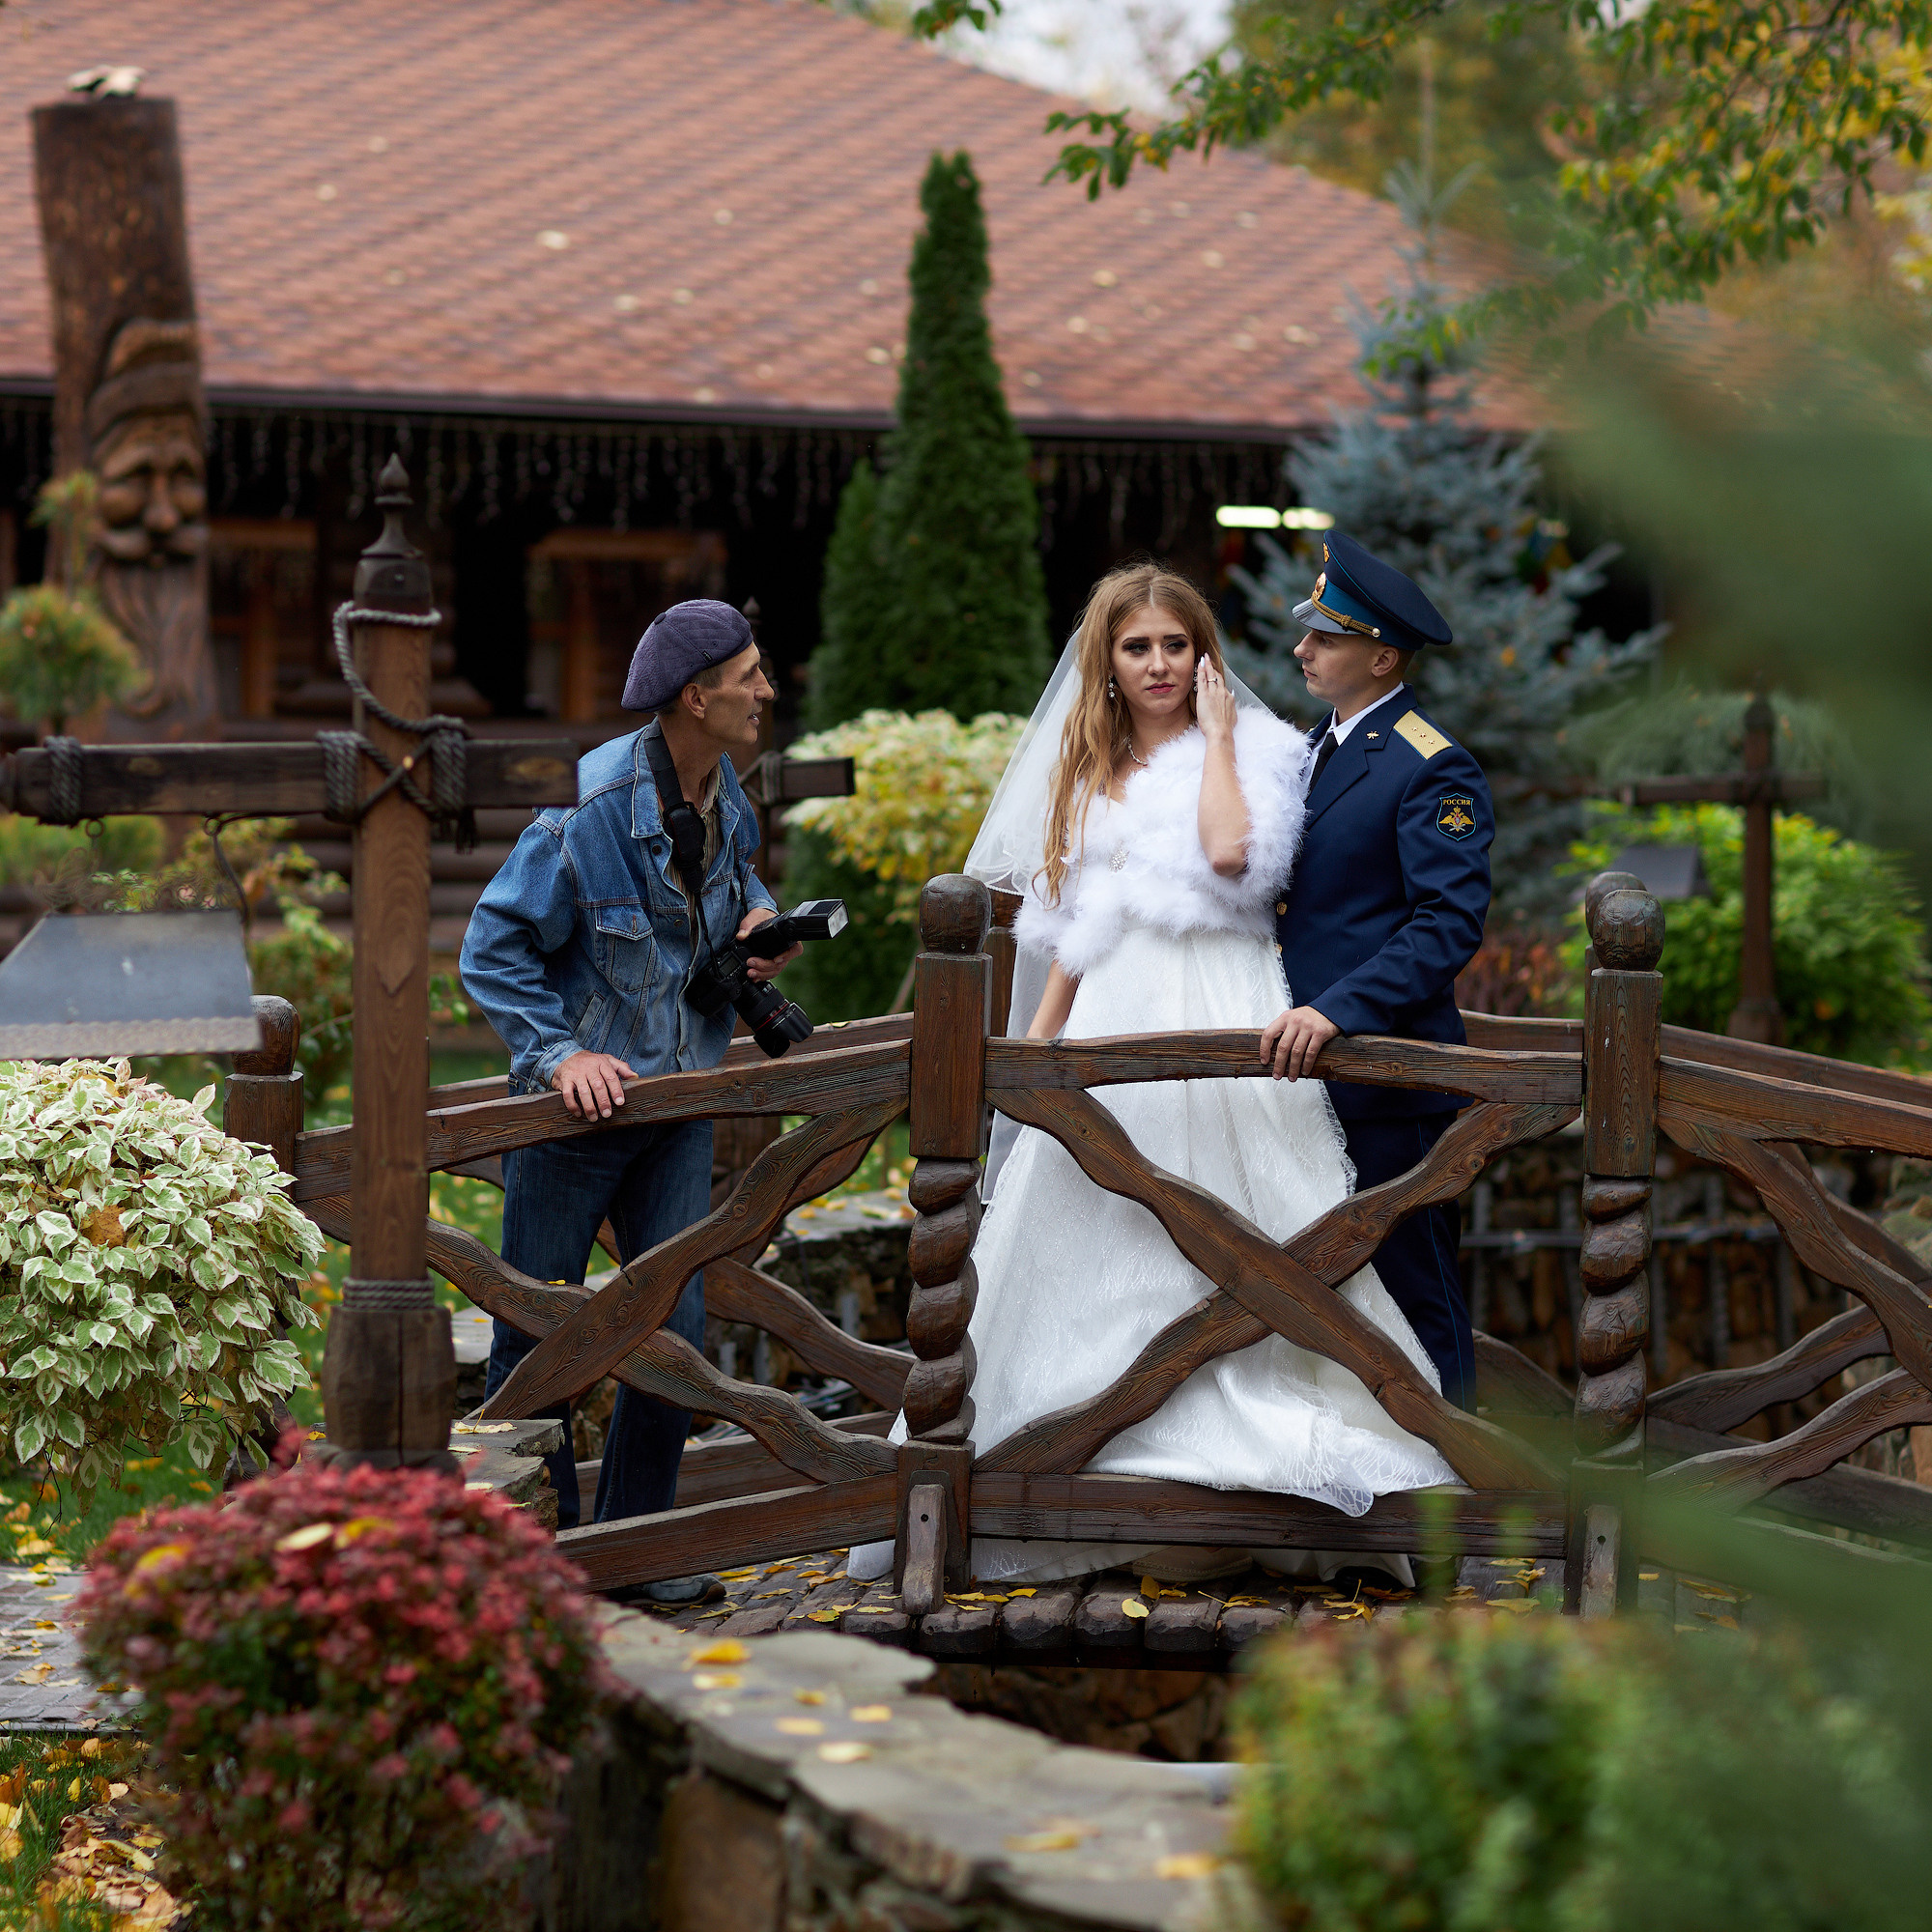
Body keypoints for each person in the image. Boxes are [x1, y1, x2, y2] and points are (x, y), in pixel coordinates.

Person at [849, 562, 1456, 1588]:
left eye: (1174, 644)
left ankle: (1251, 1464)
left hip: (1217, 996)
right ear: (1110, 662)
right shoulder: (1091, 768)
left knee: (1240, 1215)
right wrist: (1034, 1055)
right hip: (1114, 1009)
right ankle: (1064, 1457)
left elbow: (1230, 859)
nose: (1159, 663)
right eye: (1137, 648)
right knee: (1092, 1217)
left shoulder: (1262, 746)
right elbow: (1077, 934)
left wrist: (1218, 738)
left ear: (1200, 651)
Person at [459, 599, 799, 1602]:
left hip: (673, 1105)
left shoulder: (724, 792)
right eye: (750, 677)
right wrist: (557, 1053)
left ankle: (635, 1556)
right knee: (539, 1342)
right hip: (576, 1121)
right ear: (695, 696)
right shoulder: (589, 816)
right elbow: (492, 946)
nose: (766, 692)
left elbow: (728, 885)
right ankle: (536, 1566)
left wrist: (761, 919)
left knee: (674, 1330)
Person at [1263, 532, 1494, 1411]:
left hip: (1385, 1079)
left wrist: (1337, 1009)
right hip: (1298, 1076)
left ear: (1382, 655)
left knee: (1417, 1294)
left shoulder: (1433, 765)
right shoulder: (1312, 749)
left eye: (1326, 636)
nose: (1303, 649)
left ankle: (1456, 1514)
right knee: (1317, 1300)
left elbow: (1445, 927)